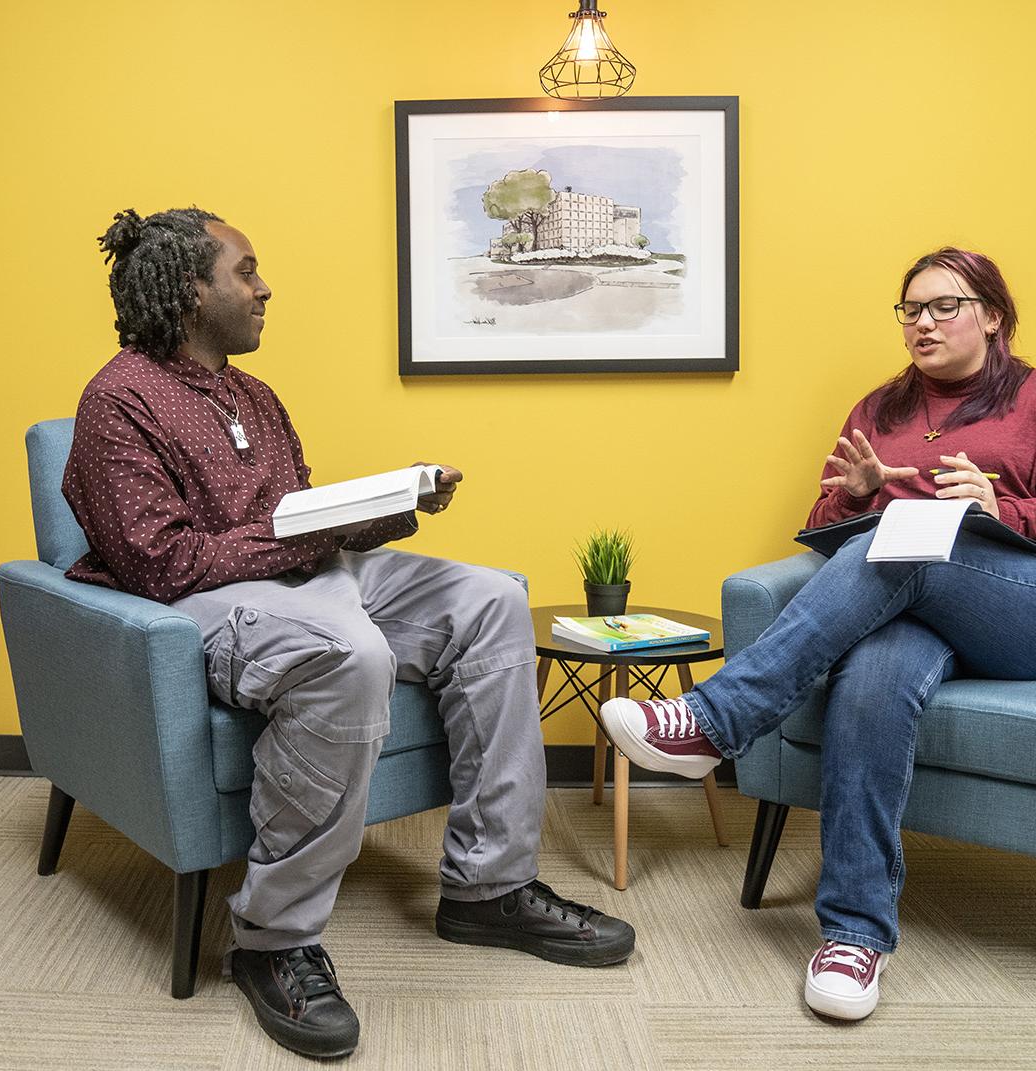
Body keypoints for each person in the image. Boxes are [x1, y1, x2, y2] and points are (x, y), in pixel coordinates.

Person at [62, 207, 635, 1060]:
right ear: (190, 289)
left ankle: (488, 887)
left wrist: (389, 503)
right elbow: (162, 562)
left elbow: (300, 518)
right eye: (246, 270)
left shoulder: (256, 394)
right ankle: (272, 939)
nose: (263, 288)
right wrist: (312, 536)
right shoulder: (118, 400)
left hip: (304, 577)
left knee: (490, 599)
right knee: (350, 653)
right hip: (201, 601)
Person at [601, 247, 1036, 1022]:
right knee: (871, 673)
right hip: (917, 613)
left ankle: (715, 720)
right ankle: (853, 935)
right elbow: (825, 537)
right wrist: (855, 498)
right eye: (910, 309)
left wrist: (997, 509)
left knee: (913, 545)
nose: (922, 322)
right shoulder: (879, 410)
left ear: (993, 315)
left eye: (944, 305)